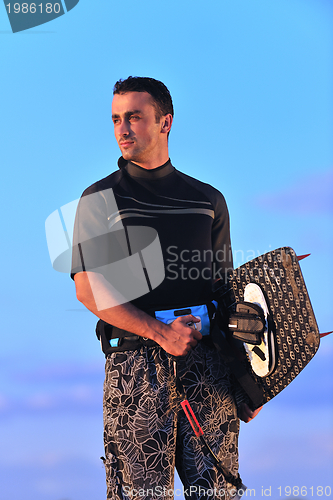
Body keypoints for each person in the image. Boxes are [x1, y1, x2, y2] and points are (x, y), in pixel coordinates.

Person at [71, 77, 261, 500]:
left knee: (217, 495)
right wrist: (160, 333)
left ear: (165, 122)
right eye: (117, 119)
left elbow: (224, 295)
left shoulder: (207, 200)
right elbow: (89, 290)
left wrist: (247, 381)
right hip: (135, 370)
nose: (123, 128)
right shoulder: (99, 199)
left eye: (134, 117)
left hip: (208, 368)